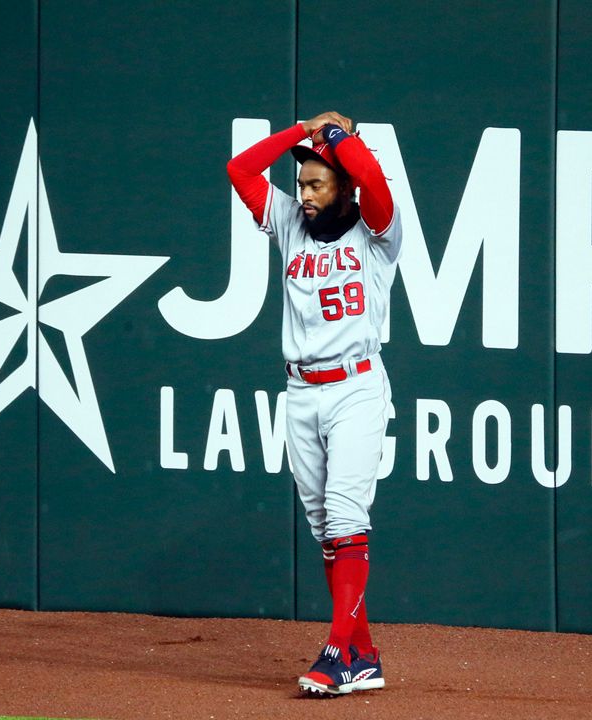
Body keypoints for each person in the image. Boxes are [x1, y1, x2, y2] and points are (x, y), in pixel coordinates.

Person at [227, 111, 401, 695]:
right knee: (327, 529)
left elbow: (372, 181)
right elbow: (240, 169)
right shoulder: (287, 222)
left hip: (355, 385)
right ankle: (364, 653)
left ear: (341, 186)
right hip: (300, 389)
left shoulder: (377, 229)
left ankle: (337, 652)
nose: (301, 194)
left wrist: (335, 137)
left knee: (348, 518)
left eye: (315, 184)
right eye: (300, 184)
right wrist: (302, 133)